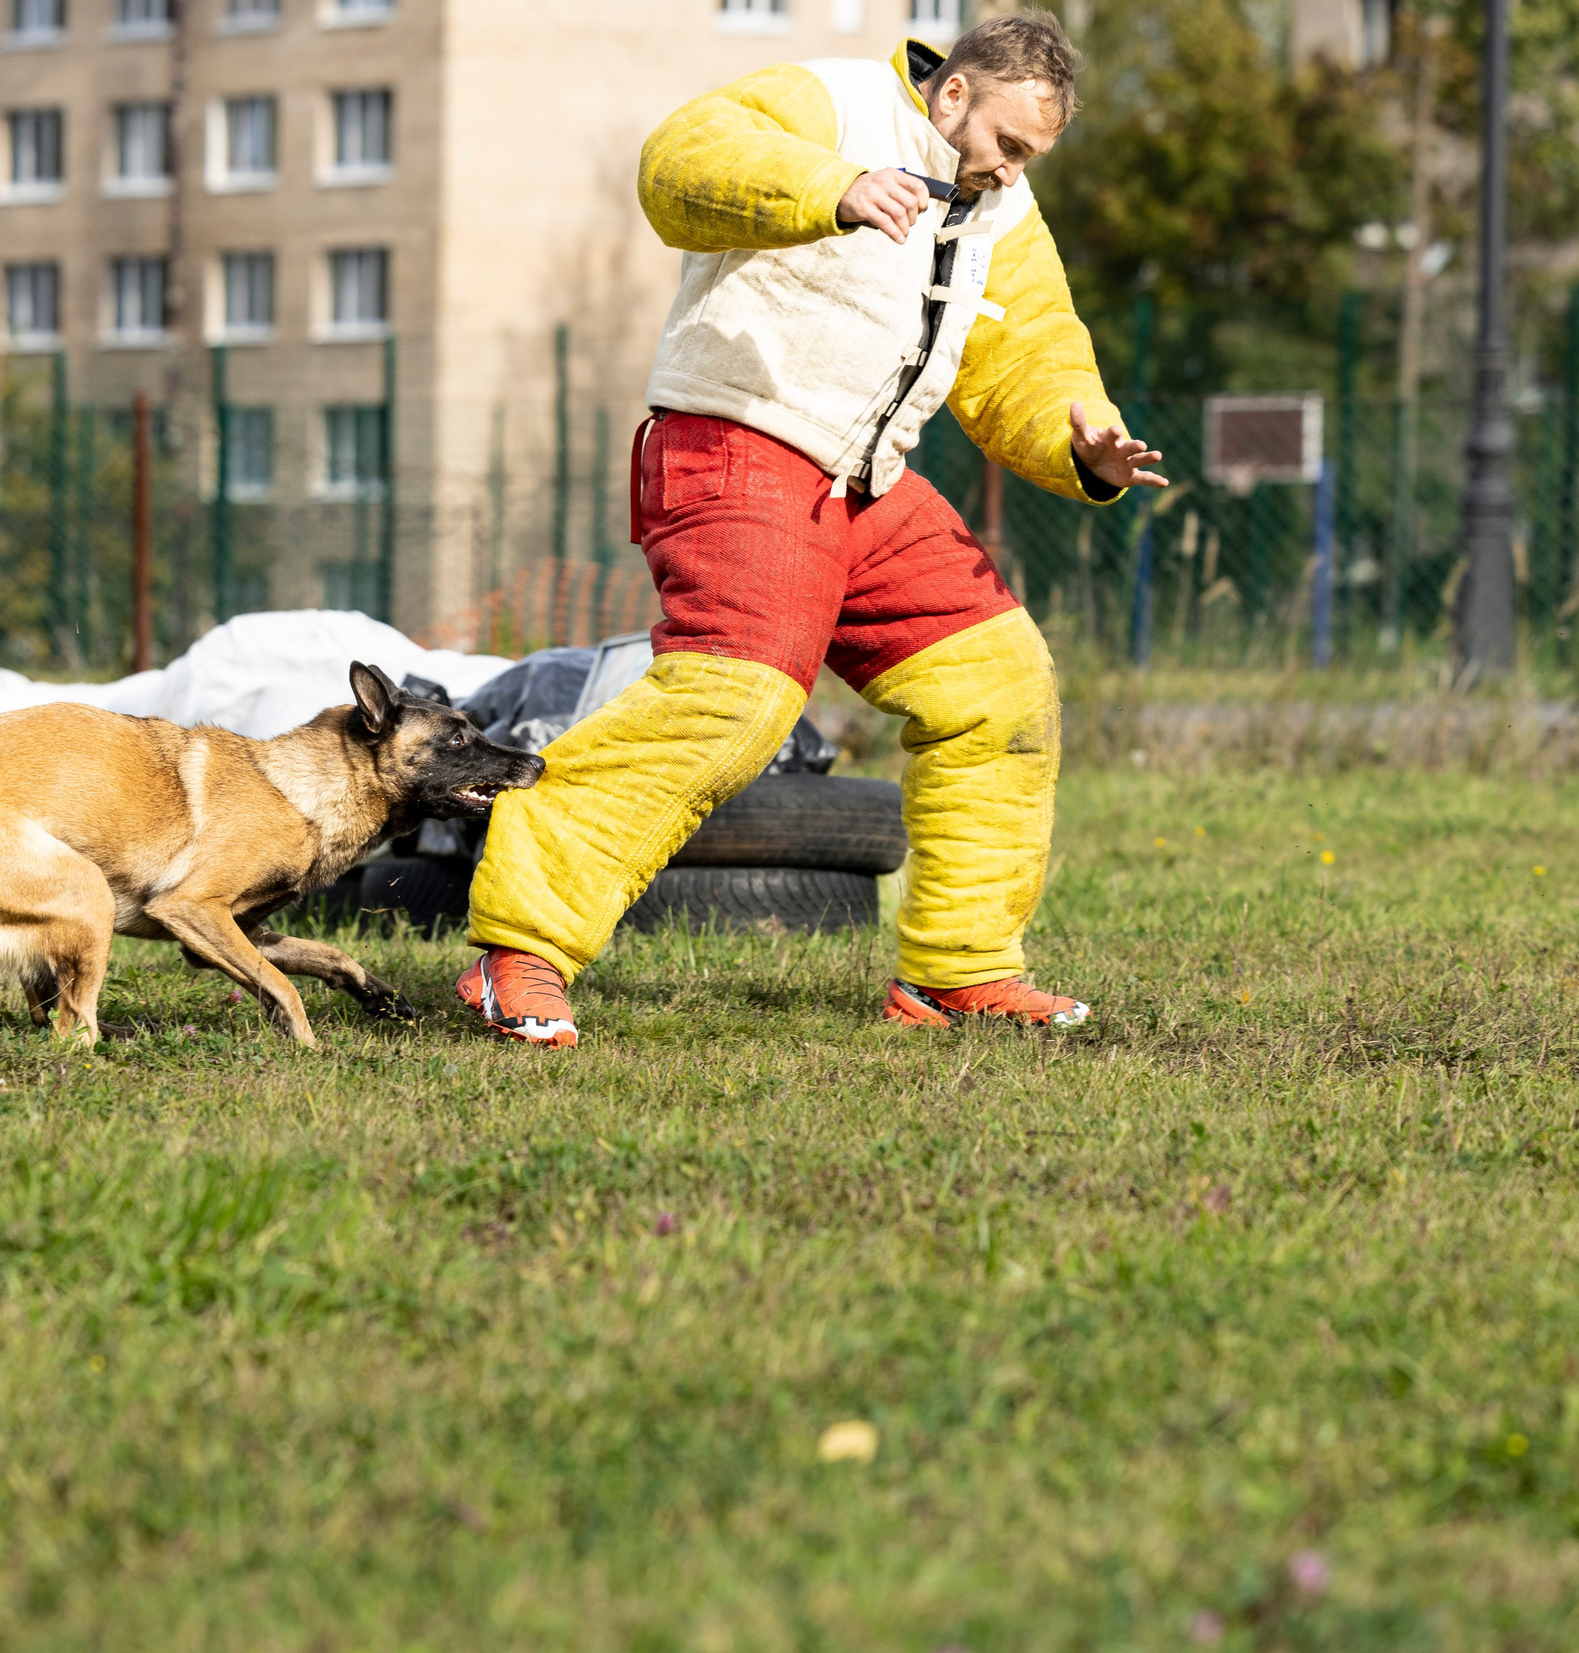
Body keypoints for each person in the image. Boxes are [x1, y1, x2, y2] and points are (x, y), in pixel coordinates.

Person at [457, 8, 1164, 1049]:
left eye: (1034, 156)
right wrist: (827, 190)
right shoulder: (828, 102)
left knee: (998, 691)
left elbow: (1028, 352)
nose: (1015, 172)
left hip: (864, 480)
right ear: (953, 94)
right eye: (1009, 145)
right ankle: (516, 954)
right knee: (735, 700)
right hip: (736, 441)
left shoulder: (1000, 207)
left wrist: (1079, 445)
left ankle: (956, 975)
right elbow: (679, 161)